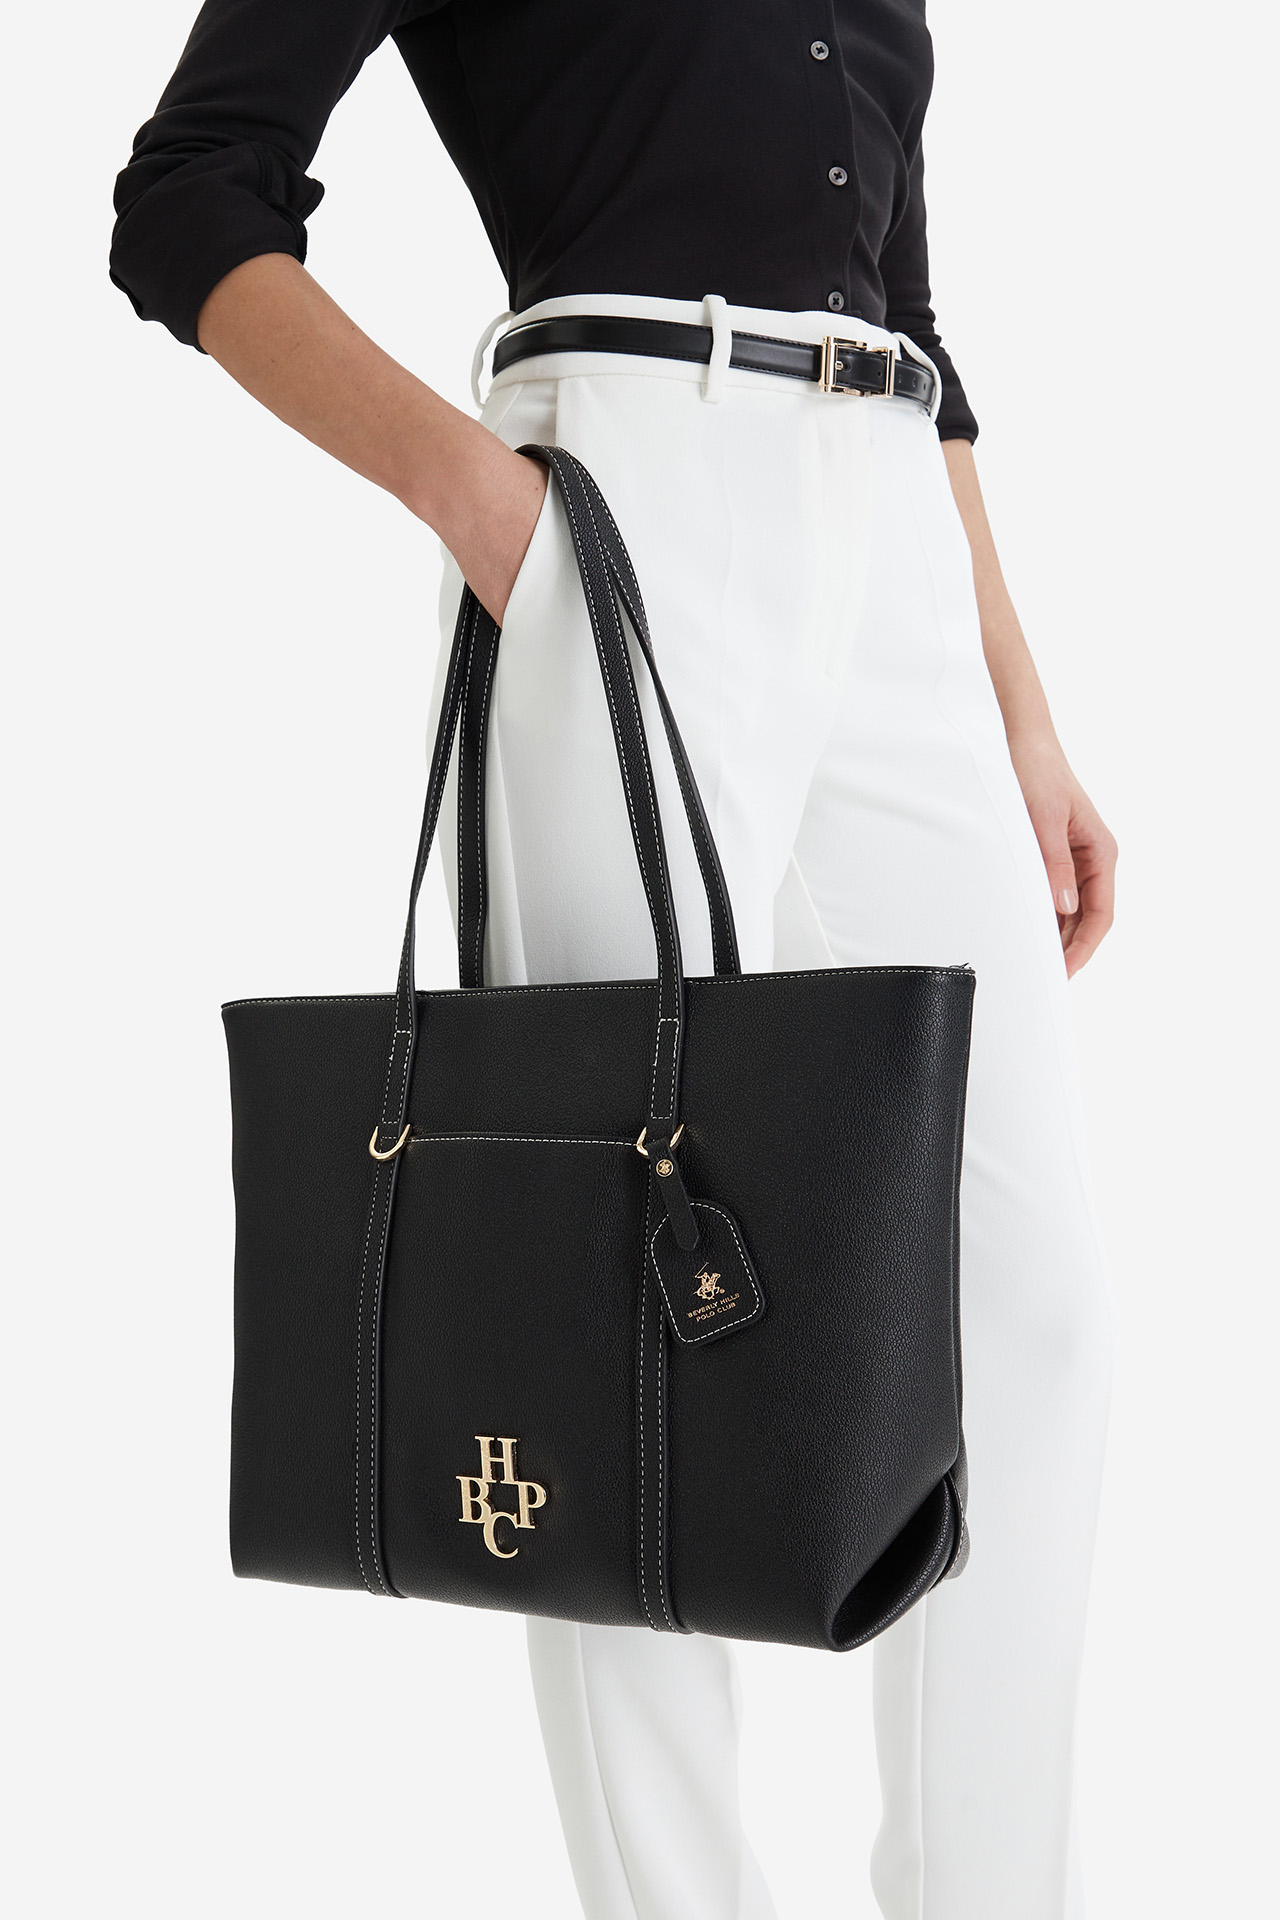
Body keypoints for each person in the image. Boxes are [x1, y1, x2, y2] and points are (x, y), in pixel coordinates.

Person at [110, 5, 1117, 1915]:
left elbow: (907, 298)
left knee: (1032, 1291)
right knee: (617, 1298)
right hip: (623, 490)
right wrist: (487, 497)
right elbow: (187, 198)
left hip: (891, 512)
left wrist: (1021, 712)